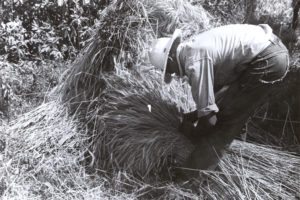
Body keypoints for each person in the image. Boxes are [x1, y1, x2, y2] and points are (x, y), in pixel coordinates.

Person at [148, 24, 290, 173]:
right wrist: (194, 115)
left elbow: (210, 119)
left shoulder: (195, 63)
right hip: (269, 50)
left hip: (268, 59)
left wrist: (193, 134)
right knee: (230, 109)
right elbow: (221, 95)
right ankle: (229, 158)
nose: (175, 75)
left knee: (225, 122)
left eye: (170, 70)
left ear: (171, 58)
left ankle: (189, 178)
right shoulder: (192, 48)